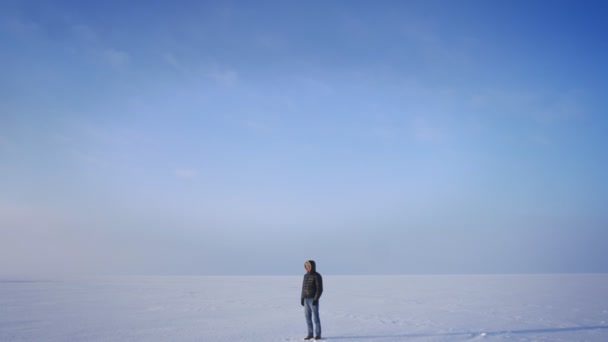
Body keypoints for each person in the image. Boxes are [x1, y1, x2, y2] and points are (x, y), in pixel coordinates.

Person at [301, 260, 323, 340]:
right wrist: (302, 298)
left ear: (312, 266)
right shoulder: (305, 276)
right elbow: (303, 288)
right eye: (306, 266)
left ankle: (318, 334)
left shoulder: (317, 276)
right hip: (306, 299)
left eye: (308, 266)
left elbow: (319, 289)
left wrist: (316, 299)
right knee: (307, 318)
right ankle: (310, 334)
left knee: (315, 318)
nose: (307, 267)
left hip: (313, 299)